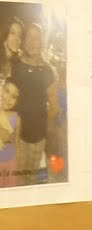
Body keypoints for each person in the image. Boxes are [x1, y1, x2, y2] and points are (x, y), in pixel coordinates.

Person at [11, 21, 57, 179]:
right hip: (15, 134)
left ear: (42, 43)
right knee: (15, 174)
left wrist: (44, 128)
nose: (32, 42)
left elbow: (53, 107)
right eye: (29, 37)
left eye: (36, 38)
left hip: (37, 136)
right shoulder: (16, 65)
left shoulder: (47, 71)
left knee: (30, 175)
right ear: (24, 41)